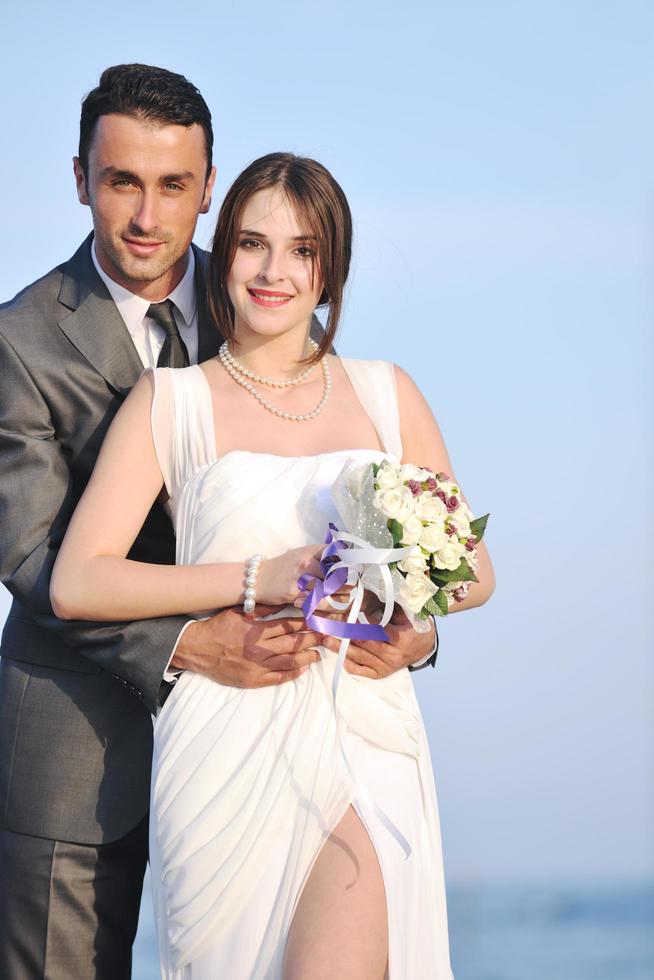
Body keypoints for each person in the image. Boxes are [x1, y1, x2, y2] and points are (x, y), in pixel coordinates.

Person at [0, 67, 439, 979]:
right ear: (81, 178)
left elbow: (364, 487)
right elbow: (38, 561)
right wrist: (190, 640)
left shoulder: (254, 286)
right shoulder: (18, 343)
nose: (147, 217)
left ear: (208, 189)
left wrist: (412, 625)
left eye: (173, 186)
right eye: (122, 181)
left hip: (293, 716)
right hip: (83, 733)